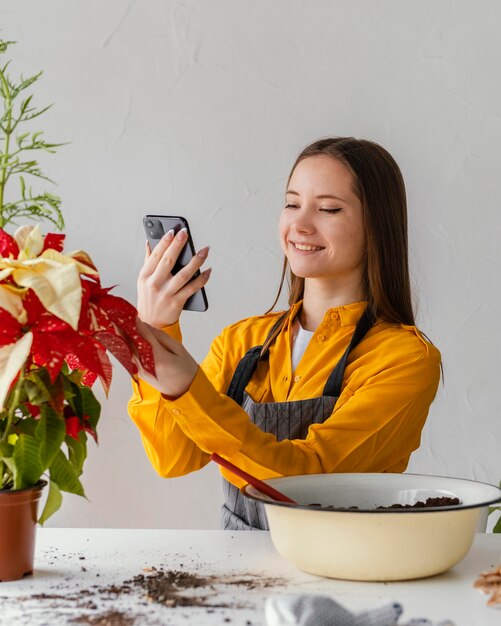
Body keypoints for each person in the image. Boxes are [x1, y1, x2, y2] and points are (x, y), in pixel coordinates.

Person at [128, 137, 441, 530]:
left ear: (377, 226)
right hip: (239, 568)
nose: (300, 224)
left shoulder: (405, 358)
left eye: (328, 208)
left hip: (344, 573)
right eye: (292, 203)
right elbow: (172, 458)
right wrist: (158, 332)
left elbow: (306, 484)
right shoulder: (243, 341)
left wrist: (188, 387)